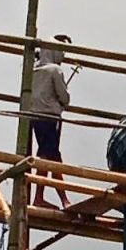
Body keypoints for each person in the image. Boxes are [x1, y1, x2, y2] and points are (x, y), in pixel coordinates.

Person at [31, 34, 73, 209]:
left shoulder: (32, 70)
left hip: (34, 116)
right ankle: (40, 198)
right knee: (48, 156)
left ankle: (63, 198)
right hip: (50, 117)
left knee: (52, 156)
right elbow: (64, 97)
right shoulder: (55, 70)